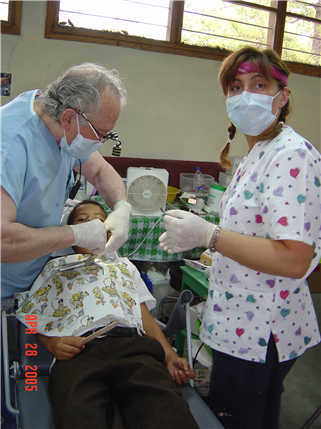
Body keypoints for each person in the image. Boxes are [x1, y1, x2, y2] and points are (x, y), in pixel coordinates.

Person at [159, 46, 321, 429]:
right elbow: (256, 234)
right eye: (236, 86)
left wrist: (211, 236)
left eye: (259, 84)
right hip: (240, 321)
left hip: (261, 331)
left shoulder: (292, 155)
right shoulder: (256, 154)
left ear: (281, 97)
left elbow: (296, 259)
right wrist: (213, 251)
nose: (245, 94)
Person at [15, 200, 199, 429]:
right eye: (82, 220)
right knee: (80, 417)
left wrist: (169, 356)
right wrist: (53, 345)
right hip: (78, 356)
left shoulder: (124, 267)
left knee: (169, 415)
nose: (92, 224)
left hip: (133, 348)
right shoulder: (55, 268)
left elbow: (142, 315)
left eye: (100, 220)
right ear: (70, 234)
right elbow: (32, 316)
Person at [0, 63, 132, 299]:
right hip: (5, 288)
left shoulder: (62, 128)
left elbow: (101, 170)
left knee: (31, 334)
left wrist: (122, 207)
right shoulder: (9, 144)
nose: (102, 141)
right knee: (21, 336)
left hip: (31, 284)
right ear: (69, 117)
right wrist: (75, 235)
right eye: (100, 132)